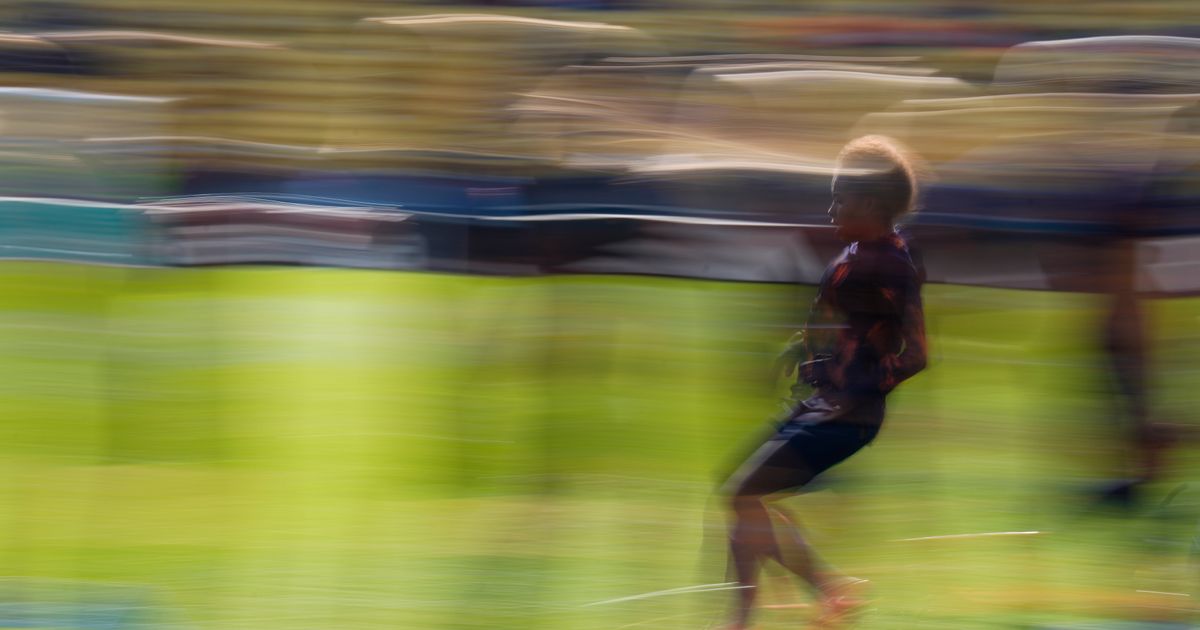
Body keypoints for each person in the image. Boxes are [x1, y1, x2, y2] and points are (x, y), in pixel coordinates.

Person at [722, 135, 928, 628]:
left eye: (840, 198)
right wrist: (798, 350)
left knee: (742, 496)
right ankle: (826, 595)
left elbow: (917, 354)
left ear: (871, 204)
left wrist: (863, 387)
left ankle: (746, 618)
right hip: (825, 405)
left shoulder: (891, 265)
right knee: (745, 498)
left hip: (846, 416)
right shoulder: (855, 255)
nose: (830, 207)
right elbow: (835, 328)